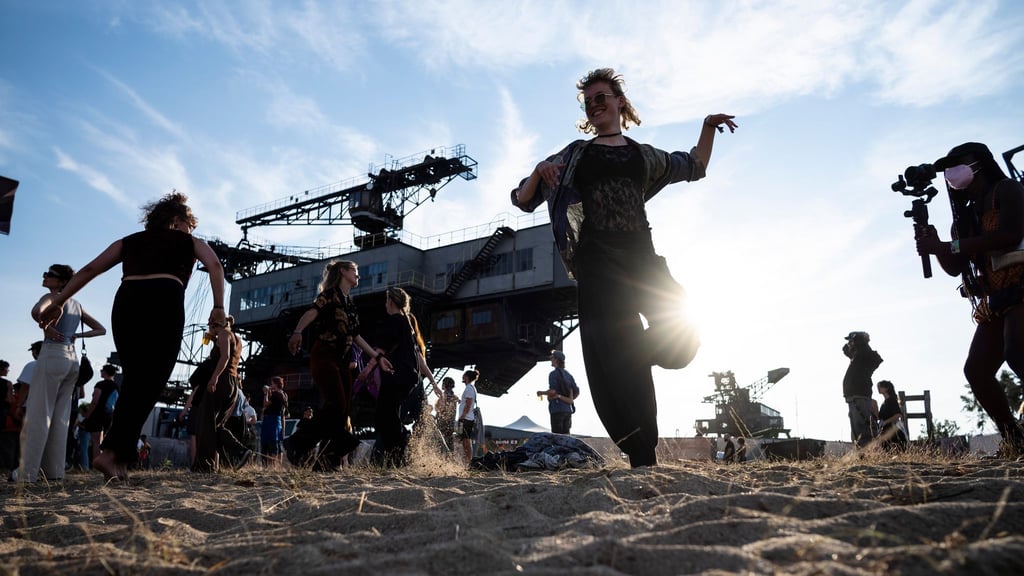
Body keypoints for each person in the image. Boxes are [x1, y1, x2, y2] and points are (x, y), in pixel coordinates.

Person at [511, 68, 737, 467]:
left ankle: (632, 354)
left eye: (603, 97)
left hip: (641, 257)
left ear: (620, 103)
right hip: (598, 263)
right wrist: (537, 172)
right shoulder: (575, 154)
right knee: (615, 366)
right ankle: (641, 454)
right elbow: (522, 199)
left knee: (684, 334)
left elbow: (695, 165)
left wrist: (706, 127)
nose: (596, 104)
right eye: (589, 101)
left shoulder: (643, 154)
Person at [34, 192, 226, 481]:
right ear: (177, 221)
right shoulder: (189, 242)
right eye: (189, 224)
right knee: (151, 382)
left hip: (126, 305)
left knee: (136, 380)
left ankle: (120, 460)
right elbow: (216, 266)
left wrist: (60, 301)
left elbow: (89, 270)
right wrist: (219, 306)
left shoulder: (129, 241)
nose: (191, 231)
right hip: (164, 302)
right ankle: (112, 453)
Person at [916, 142, 1024, 456]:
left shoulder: (1008, 190)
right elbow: (955, 268)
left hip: (1021, 286)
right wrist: (932, 241)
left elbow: (1008, 235)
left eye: (957, 164)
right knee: (976, 370)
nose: (951, 173)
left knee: (1017, 352)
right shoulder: (963, 217)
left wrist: (948, 247)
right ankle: (1013, 438)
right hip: (998, 299)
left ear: (979, 164)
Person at [287, 260, 392, 470]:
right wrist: (297, 331)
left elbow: (357, 336)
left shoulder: (350, 304)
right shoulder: (329, 295)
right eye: (355, 270)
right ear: (343, 271)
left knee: (342, 411)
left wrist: (378, 358)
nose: (358, 275)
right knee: (335, 405)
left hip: (342, 361)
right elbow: (312, 312)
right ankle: (297, 443)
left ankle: (327, 462)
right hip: (324, 355)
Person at [15, 264, 106, 483]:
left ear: (62, 281)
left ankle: (27, 473)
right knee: (60, 417)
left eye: (50, 275)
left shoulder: (53, 297)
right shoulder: (76, 304)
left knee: (39, 413)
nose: (45, 277)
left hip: (52, 355)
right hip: (71, 359)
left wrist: (45, 325)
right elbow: (101, 329)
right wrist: (77, 335)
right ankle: (54, 471)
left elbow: (37, 311)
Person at [367, 287, 436, 467]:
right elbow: (417, 355)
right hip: (409, 378)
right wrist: (434, 383)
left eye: (386, 301)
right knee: (390, 415)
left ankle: (402, 444)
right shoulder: (407, 323)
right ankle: (397, 457)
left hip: (395, 376)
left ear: (390, 302)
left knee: (383, 416)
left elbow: (379, 351)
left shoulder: (392, 322)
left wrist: (366, 371)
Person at [193, 316, 249, 471]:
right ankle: (240, 451)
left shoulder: (224, 334)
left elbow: (224, 357)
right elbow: (228, 356)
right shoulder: (236, 338)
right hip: (232, 384)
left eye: (210, 324)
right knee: (216, 425)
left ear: (214, 323)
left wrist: (214, 378)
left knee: (206, 422)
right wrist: (212, 338)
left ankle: (204, 465)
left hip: (222, 381)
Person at [842, 331, 883, 448]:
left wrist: (859, 339)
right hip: (854, 396)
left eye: (851, 341)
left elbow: (857, 348)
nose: (849, 344)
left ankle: (869, 452)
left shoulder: (864, 356)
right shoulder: (859, 356)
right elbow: (845, 350)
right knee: (857, 427)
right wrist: (854, 340)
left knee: (863, 425)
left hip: (859, 395)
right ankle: (863, 452)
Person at [78, 364, 120, 467]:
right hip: (108, 416)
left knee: (96, 442)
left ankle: (97, 465)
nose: (100, 372)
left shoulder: (100, 384)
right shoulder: (116, 386)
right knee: (102, 441)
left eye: (102, 370)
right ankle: (104, 463)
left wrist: (87, 415)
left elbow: (95, 401)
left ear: (105, 372)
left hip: (97, 415)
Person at [545, 350, 579, 434]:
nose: (550, 359)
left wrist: (542, 393)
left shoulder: (553, 374)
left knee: (557, 438)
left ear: (556, 360)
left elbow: (553, 392)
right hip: (567, 411)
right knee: (566, 438)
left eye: (552, 357)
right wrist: (567, 399)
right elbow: (577, 391)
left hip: (557, 410)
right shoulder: (568, 375)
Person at [261, 377, 288, 466]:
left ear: (276, 384)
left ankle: (271, 465)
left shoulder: (276, 394)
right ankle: (277, 465)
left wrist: (266, 394)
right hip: (278, 420)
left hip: (271, 420)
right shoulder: (284, 394)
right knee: (277, 443)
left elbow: (265, 404)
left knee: (270, 443)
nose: (271, 385)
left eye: (272, 383)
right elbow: (284, 413)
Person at [876, 380, 908, 451]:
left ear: (886, 388)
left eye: (880, 386)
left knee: (895, 449)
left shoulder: (892, 400)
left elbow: (897, 415)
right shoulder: (884, 402)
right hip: (885, 429)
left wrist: (885, 422)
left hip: (892, 429)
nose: (878, 388)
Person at [457, 369, 479, 465]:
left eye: (464, 375)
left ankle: (468, 461)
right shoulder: (471, 388)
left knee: (466, 440)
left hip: (466, 418)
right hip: (467, 418)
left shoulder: (469, 388)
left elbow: (469, 402)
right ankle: (467, 460)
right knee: (465, 440)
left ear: (466, 377)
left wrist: (463, 415)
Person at [434, 377, 458, 452]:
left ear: (444, 384)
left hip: (442, 423)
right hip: (451, 424)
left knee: (439, 443)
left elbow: (440, 409)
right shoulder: (454, 396)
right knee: (450, 445)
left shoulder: (444, 395)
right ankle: (450, 460)